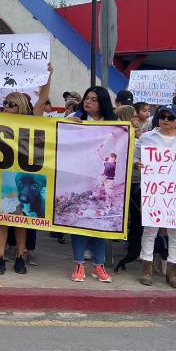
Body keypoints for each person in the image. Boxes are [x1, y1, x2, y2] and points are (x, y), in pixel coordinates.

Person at [0, 63, 53, 275]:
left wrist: (48, 75)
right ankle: (0, 256)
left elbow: (43, 97)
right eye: (5, 103)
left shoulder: (32, 118)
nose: (5, 107)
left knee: (22, 219)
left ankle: (20, 256)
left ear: (20, 105)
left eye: (10, 104)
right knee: (1, 220)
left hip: (26, 175)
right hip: (3, 175)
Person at [134, 104, 176, 289]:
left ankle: (172, 272)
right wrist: (138, 165)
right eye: (162, 116)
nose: (165, 120)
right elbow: (135, 157)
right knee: (150, 229)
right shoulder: (146, 137)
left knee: (175, 232)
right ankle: (147, 269)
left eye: (170, 117)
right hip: (154, 190)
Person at [66, 86, 116, 283]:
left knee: (100, 221)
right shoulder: (75, 118)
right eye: (86, 98)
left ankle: (99, 265)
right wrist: (67, 124)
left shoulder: (114, 125)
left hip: (102, 181)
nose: (88, 102)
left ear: (102, 102)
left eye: (93, 99)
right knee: (79, 221)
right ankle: (78, 263)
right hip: (79, 178)